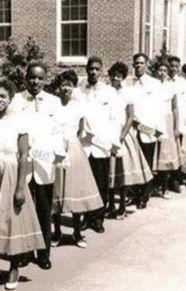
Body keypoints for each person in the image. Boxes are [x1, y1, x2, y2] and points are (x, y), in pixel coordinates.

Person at [0, 79, 45, 290]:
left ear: (10, 98)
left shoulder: (19, 121)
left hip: (11, 173)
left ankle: (14, 267)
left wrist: (19, 186)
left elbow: (24, 154)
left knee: (12, 221)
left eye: (3, 96)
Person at [10, 62, 64, 269]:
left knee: (43, 208)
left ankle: (43, 252)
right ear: (26, 78)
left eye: (40, 78)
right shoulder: (15, 100)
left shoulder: (54, 102)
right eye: (32, 77)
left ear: (45, 79)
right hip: (22, 161)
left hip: (44, 162)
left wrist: (57, 157)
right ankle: (24, 251)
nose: (36, 82)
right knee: (22, 208)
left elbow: (58, 132)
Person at [51, 70, 103, 248]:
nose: (66, 88)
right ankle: (57, 232)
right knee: (57, 191)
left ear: (74, 87)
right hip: (56, 148)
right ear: (59, 86)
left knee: (75, 191)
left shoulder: (78, 107)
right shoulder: (53, 105)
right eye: (64, 83)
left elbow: (81, 132)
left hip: (73, 149)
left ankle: (77, 233)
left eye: (70, 84)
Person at [106, 61, 153, 218]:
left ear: (123, 77)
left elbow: (130, 116)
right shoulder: (106, 92)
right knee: (110, 173)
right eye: (113, 76)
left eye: (119, 76)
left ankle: (122, 207)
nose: (116, 79)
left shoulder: (128, 93)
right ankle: (110, 205)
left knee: (123, 172)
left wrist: (121, 136)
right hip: (108, 133)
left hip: (123, 135)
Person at [79, 56, 117, 233]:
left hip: (101, 144)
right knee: (86, 182)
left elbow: (114, 119)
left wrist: (112, 144)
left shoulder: (109, 92)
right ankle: (87, 217)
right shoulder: (79, 91)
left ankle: (98, 218)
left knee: (102, 183)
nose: (93, 72)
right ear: (86, 70)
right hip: (84, 145)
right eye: (90, 68)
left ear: (101, 71)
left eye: (96, 69)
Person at [129, 52, 163, 208]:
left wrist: (159, 132)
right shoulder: (130, 84)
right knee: (135, 163)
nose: (138, 66)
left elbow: (159, 109)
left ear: (147, 64)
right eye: (135, 63)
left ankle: (144, 196)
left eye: (141, 63)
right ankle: (135, 194)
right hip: (134, 129)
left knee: (147, 164)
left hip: (148, 129)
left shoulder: (155, 84)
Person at [152, 60, 180, 197]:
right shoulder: (152, 85)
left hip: (167, 122)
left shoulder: (171, 87)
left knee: (166, 155)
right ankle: (151, 187)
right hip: (153, 121)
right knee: (153, 154)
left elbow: (175, 108)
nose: (162, 73)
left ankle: (165, 188)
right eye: (160, 70)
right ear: (155, 71)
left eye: (164, 70)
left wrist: (176, 127)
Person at [168, 55, 186, 189]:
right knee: (169, 151)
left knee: (180, 150)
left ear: (179, 68)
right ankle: (167, 180)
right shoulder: (163, 82)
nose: (173, 68)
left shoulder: (182, 83)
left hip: (181, 120)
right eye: (171, 66)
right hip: (167, 121)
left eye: (175, 66)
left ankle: (177, 178)